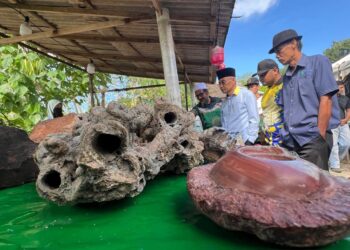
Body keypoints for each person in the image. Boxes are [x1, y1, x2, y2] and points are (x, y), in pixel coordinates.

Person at [269, 29, 340, 170]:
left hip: (312, 138)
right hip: (290, 141)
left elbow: (326, 100)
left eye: (279, 50)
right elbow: (286, 109)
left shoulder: (317, 62)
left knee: (314, 186)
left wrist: (319, 137)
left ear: (294, 43)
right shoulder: (287, 77)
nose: (277, 56)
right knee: (292, 184)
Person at [216, 67, 259, 145]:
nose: (221, 86)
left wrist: (250, 140)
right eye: (219, 83)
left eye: (223, 82)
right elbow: (224, 123)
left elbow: (254, 119)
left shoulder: (246, 94)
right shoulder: (224, 102)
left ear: (233, 80)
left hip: (244, 141)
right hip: (229, 143)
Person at [253, 59, 284, 146]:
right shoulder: (267, 92)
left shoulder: (287, 86)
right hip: (269, 141)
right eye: (259, 76)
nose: (260, 79)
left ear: (275, 70)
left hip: (284, 141)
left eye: (263, 75)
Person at [328, 80, 350, 173]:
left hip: (343, 123)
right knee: (334, 145)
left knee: (346, 143)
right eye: (338, 87)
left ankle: (334, 160)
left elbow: (348, 110)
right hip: (332, 123)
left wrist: (346, 120)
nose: (340, 89)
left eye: (342, 87)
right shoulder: (328, 98)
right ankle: (335, 165)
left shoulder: (345, 98)